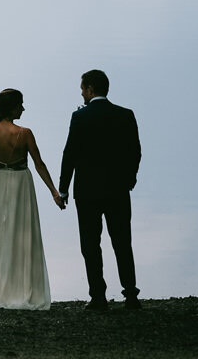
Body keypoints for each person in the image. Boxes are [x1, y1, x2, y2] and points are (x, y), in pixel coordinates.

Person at [0, 88, 65, 309]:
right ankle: (20, 289)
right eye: (20, 104)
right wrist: (53, 192)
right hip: (21, 184)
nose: (23, 108)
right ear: (12, 108)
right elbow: (39, 164)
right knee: (22, 235)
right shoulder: (24, 133)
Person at [58, 69, 142, 310]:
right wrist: (130, 179)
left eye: (83, 89)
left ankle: (98, 296)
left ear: (91, 89)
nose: (82, 93)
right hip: (118, 190)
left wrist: (63, 189)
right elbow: (134, 151)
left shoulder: (79, 117)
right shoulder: (125, 115)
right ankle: (131, 295)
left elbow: (69, 154)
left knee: (90, 244)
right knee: (122, 242)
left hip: (87, 192)